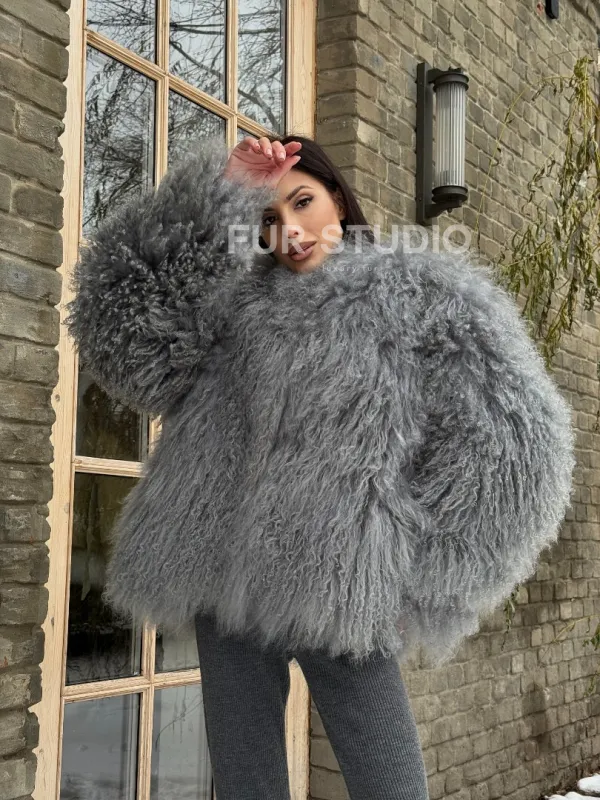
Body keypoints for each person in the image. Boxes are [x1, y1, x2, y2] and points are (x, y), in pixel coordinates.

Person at [63, 133, 576, 800]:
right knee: (247, 785)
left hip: (341, 587)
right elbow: (116, 328)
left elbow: (516, 446)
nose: (291, 230)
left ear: (336, 194)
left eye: (302, 201)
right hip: (222, 580)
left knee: (391, 786)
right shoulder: (230, 311)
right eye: (268, 217)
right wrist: (221, 193)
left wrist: (422, 580)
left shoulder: (419, 294)